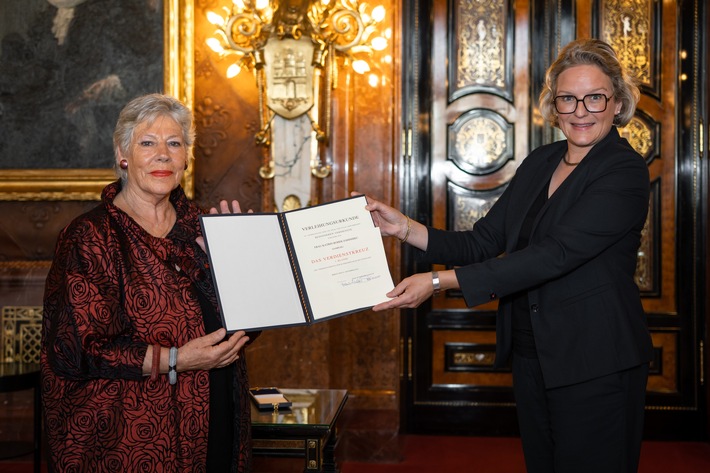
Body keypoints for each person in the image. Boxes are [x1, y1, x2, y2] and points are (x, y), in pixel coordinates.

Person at [363, 38, 653, 473]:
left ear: (617, 103)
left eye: (594, 98)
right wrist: (404, 228)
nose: (580, 110)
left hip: (595, 359)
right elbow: (482, 240)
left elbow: (553, 256)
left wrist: (439, 282)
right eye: (568, 99)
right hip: (533, 353)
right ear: (553, 106)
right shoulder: (541, 161)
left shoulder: (624, 170)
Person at [41, 93, 256, 472]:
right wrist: (177, 359)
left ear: (186, 158)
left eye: (174, 143)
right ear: (122, 155)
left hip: (217, 416)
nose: (163, 154)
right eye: (147, 143)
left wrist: (244, 270)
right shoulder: (90, 237)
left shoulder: (204, 229)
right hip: (130, 435)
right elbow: (76, 350)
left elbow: (240, 331)